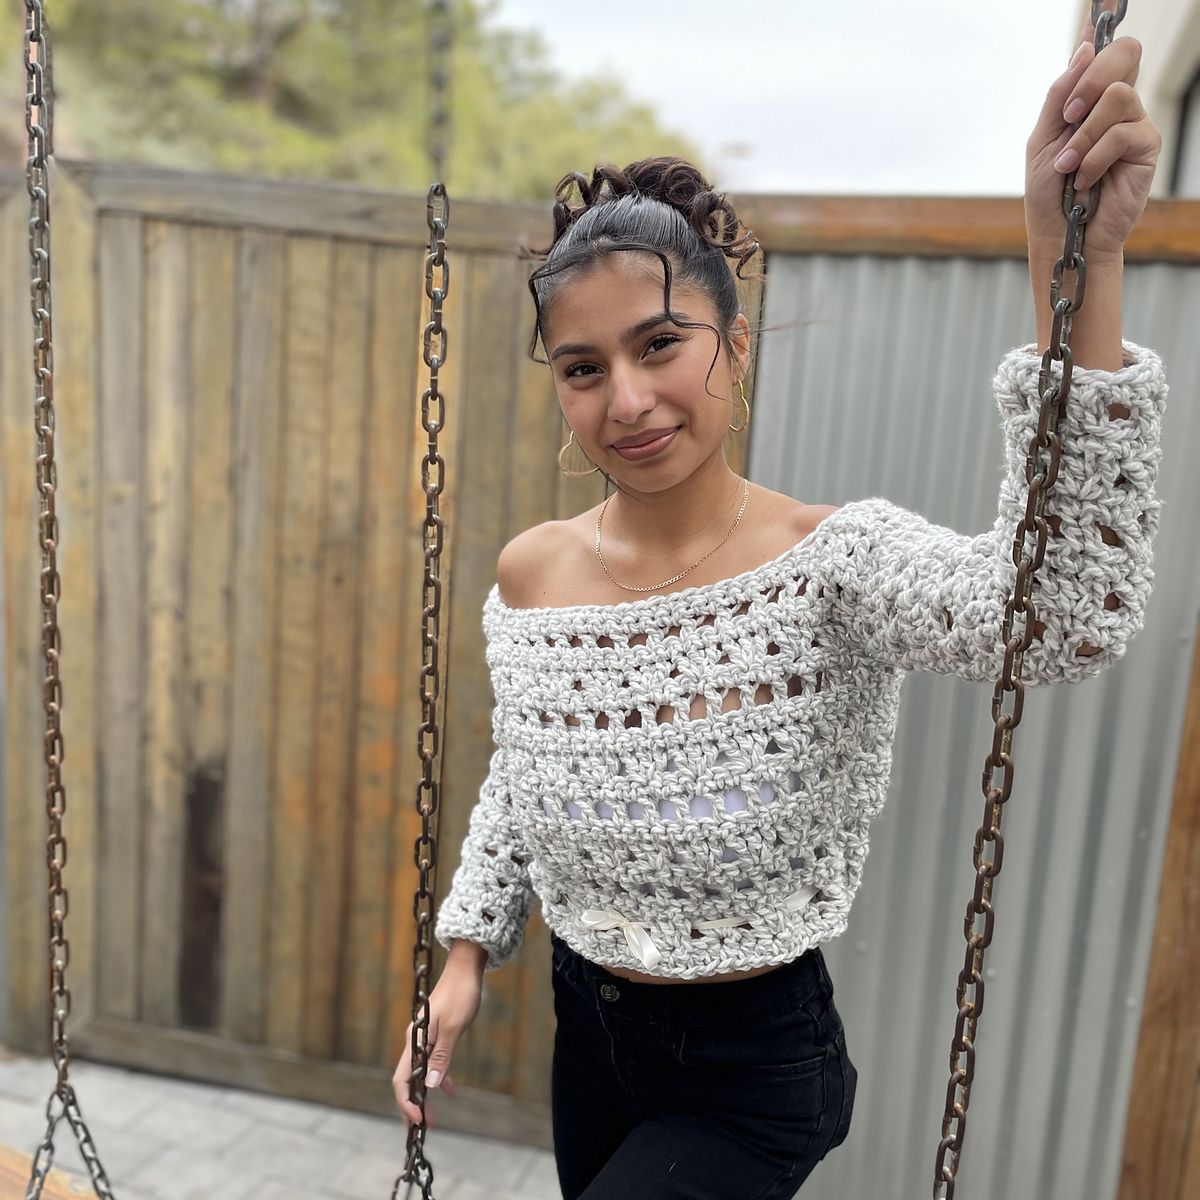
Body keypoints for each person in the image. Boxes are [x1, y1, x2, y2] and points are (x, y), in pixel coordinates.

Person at [395, 18, 1168, 1200]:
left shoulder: (831, 563)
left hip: (754, 1065)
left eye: (661, 344)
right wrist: (465, 955)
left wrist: (1079, 268)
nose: (628, 399)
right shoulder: (533, 572)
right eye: (585, 367)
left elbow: (1058, 616)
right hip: (589, 1037)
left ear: (735, 344)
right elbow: (528, 772)